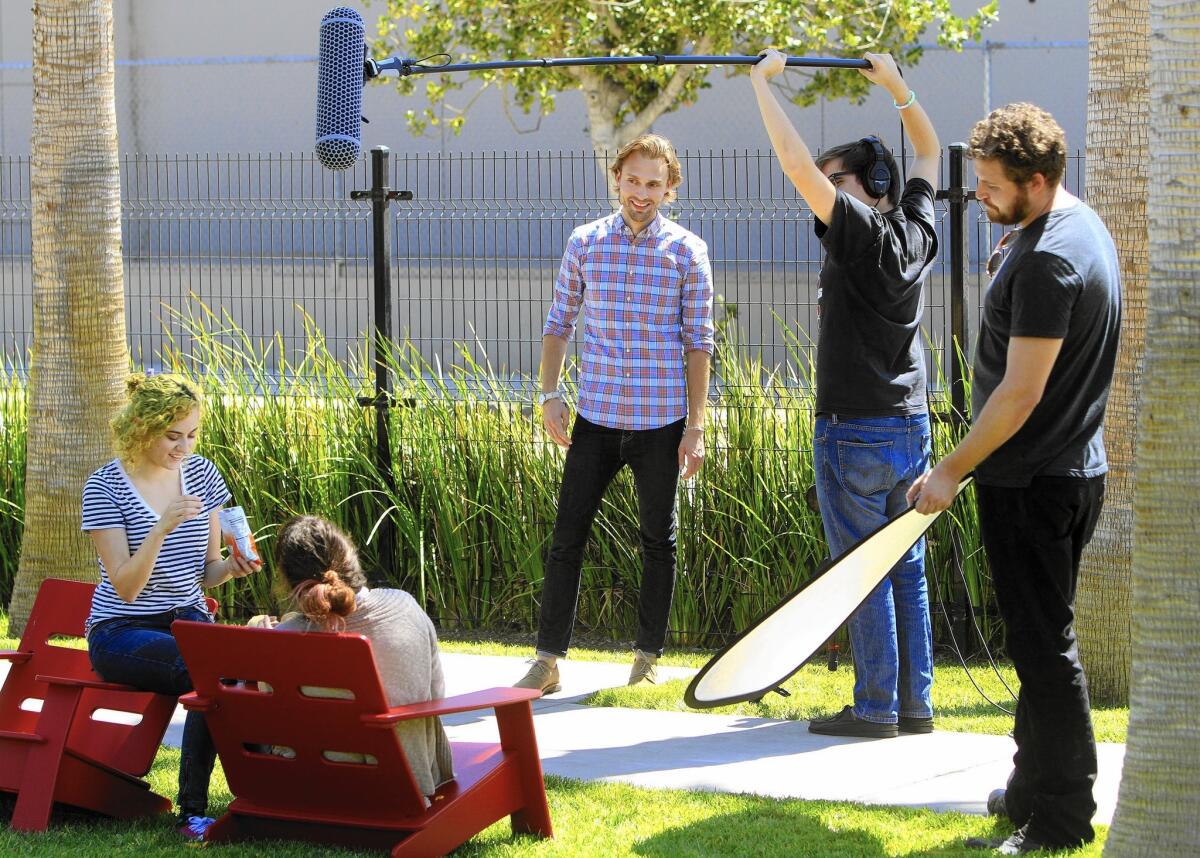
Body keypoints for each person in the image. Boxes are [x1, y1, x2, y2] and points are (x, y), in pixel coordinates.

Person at [909, 103, 1120, 855]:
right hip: (1072, 471)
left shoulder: (1047, 261)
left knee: (1043, 652)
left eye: (993, 186)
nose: (981, 197)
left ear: (1035, 180)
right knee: (1039, 641)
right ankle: (1030, 790)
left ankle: (1061, 821)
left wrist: (950, 471)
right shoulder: (1073, 224)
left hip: (1032, 482)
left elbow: (1021, 392)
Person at [749, 50, 940, 739]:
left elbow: (797, 167)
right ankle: (914, 704)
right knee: (906, 568)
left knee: (859, 571)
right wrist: (896, 88)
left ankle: (875, 706)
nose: (820, 193)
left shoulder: (858, 234)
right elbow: (927, 147)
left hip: (854, 429)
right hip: (909, 427)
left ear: (866, 186)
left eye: (836, 183)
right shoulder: (917, 229)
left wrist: (761, 84)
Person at [514, 133, 715, 693]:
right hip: (596, 417)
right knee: (566, 536)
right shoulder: (585, 243)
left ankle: (647, 660)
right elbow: (560, 322)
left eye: (654, 183)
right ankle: (547, 660)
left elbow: (700, 342)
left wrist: (696, 427)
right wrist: (550, 394)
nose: (641, 193)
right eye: (633, 180)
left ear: (670, 188)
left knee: (658, 539)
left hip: (662, 421)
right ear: (617, 180)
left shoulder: (687, 251)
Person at [83, 372, 260, 842]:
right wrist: (160, 527)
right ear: (141, 428)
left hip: (187, 619)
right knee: (204, 672)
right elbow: (124, 587)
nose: (184, 447)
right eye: (172, 436)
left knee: (244, 670)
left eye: (193, 434)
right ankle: (193, 814)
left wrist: (232, 567)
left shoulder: (202, 475)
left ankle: (268, 794)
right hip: (121, 629)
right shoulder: (104, 487)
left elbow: (206, 572)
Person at [256, 514, 454, 800]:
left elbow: (271, 712)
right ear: (350, 557)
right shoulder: (405, 607)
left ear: (289, 581)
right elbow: (437, 695)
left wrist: (262, 638)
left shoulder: (282, 639)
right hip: (404, 783)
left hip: (312, 787)